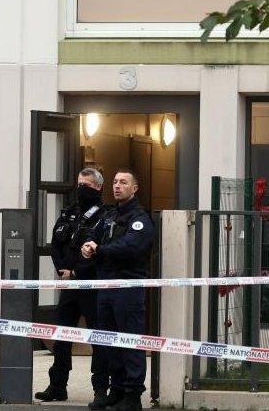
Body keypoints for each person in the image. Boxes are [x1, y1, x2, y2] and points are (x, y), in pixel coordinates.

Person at [35, 168, 110, 403]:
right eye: (79, 184)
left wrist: (76, 271)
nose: (80, 190)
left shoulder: (105, 217)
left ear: (98, 188)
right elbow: (56, 244)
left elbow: (102, 253)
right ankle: (57, 386)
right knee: (62, 336)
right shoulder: (69, 213)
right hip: (69, 285)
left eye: (86, 186)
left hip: (91, 285)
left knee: (98, 338)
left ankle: (100, 390)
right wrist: (62, 271)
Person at [81, 170, 155, 411]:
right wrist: (88, 246)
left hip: (128, 288)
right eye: (114, 182)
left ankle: (133, 395)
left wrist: (100, 249)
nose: (117, 186)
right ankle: (118, 389)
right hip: (106, 287)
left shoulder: (140, 218)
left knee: (130, 341)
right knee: (109, 342)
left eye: (123, 182)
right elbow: (93, 234)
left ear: (135, 188)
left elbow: (130, 247)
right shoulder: (109, 215)